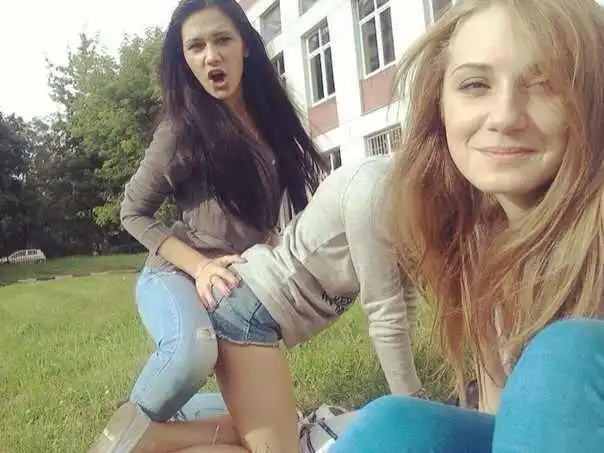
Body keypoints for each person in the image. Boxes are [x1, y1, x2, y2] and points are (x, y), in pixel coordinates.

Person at [327, 0, 604, 452]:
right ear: (439, 105)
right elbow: (500, 419)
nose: (505, 116)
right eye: (476, 85)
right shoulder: (479, 238)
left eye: (546, 84)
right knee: (395, 426)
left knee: (566, 359)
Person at [87, 0, 327, 451]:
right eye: (196, 47)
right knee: (193, 351)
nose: (211, 56)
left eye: (222, 40)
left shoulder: (270, 119)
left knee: (273, 428)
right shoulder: (181, 129)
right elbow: (132, 211)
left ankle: (160, 429)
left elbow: (265, 208)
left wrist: (271, 240)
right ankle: (124, 437)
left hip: (231, 286)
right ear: (184, 59)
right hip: (174, 274)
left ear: (245, 47)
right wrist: (198, 266)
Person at [89, 156, 425, 453]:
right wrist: (416, 411)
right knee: (278, 449)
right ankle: (149, 440)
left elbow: (403, 294)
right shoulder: (373, 192)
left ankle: (165, 427)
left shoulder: (413, 200)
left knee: (280, 432)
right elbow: (385, 313)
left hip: (255, 309)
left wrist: (418, 400)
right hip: (247, 311)